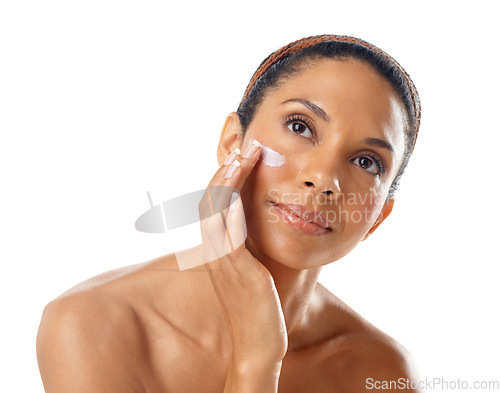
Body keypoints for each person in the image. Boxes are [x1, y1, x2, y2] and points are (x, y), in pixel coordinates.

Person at [36, 34, 423, 392]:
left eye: (366, 161)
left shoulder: (384, 373)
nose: (323, 179)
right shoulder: (92, 323)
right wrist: (255, 358)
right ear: (233, 142)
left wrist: (258, 356)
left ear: (377, 218)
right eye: (300, 126)